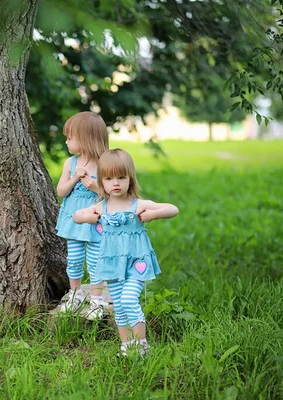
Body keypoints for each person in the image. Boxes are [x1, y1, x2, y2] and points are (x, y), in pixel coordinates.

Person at [73, 149, 179, 356]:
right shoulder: (100, 207)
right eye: (109, 178)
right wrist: (87, 217)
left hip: (136, 262)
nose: (116, 183)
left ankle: (141, 344)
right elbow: (77, 216)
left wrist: (154, 214)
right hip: (112, 264)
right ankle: (125, 345)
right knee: (119, 307)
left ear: (130, 179)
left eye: (121, 177)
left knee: (129, 299)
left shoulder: (137, 205)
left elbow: (172, 208)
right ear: (101, 181)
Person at [55, 111, 109, 320]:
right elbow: (61, 191)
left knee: (96, 260)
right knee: (75, 258)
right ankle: (75, 293)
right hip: (75, 218)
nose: (66, 141)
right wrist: (74, 178)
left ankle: (97, 298)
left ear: (85, 139)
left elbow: (116, 192)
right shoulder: (71, 164)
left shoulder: (105, 163)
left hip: (96, 218)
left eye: (70, 138)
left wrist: (97, 188)